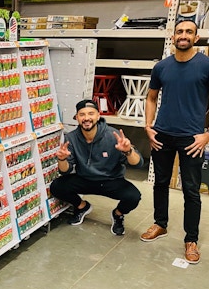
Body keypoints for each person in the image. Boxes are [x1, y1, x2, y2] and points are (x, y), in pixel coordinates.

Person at [141, 19, 209, 265]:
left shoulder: (208, 66)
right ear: (173, 36)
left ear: (196, 37)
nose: (183, 35)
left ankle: (191, 239)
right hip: (162, 136)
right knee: (160, 182)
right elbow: (151, 98)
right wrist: (148, 127)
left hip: (192, 139)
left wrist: (208, 133)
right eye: (179, 31)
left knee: (191, 190)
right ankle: (160, 224)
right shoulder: (162, 67)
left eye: (189, 32)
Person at [50, 99, 144, 235]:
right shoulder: (71, 138)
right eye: (82, 115)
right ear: (76, 117)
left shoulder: (113, 136)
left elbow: (138, 164)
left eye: (91, 114)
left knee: (134, 196)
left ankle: (118, 214)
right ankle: (82, 207)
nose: (86, 118)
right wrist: (62, 159)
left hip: (111, 181)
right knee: (56, 187)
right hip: (85, 179)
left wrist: (128, 151)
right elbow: (65, 171)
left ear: (98, 116)